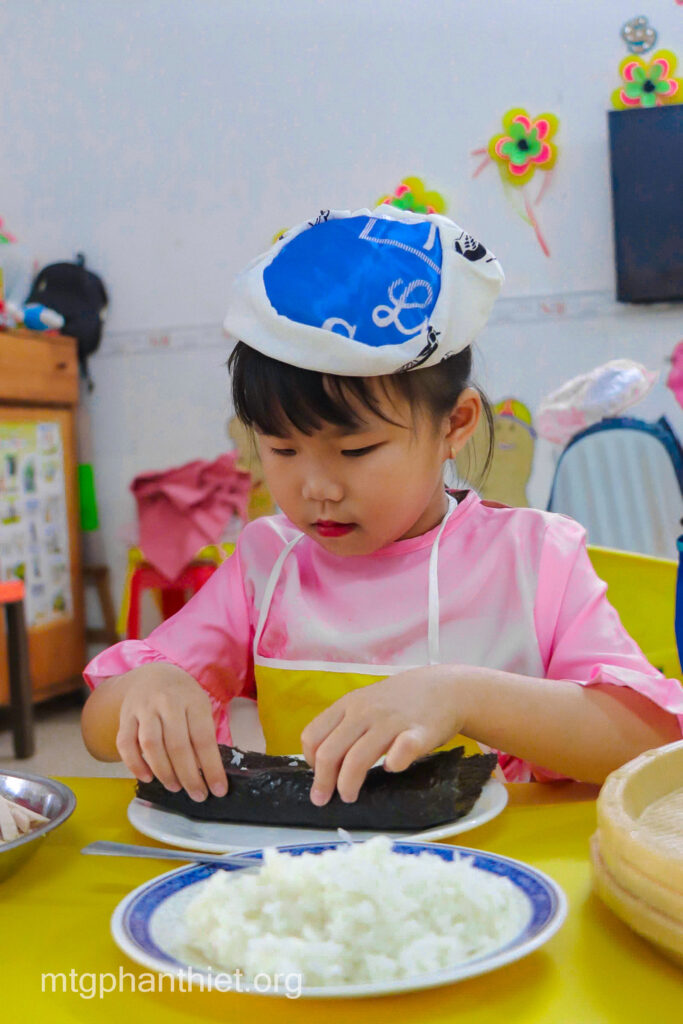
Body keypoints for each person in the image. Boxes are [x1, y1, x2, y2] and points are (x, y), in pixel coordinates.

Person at [81, 205, 682, 809]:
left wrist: (462, 697)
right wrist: (150, 688)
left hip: (500, 862)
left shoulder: (534, 558)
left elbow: (651, 741)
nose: (317, 487)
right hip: (317, 866)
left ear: (455, 424)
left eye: (356, 450)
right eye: (282, 449)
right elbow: (97, 729)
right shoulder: (267, 564)